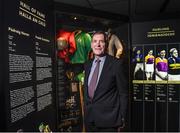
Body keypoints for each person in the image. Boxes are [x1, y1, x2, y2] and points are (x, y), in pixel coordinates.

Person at [84, 31, 128, 132]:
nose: (98, 44)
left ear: (106, 44)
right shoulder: (87, 65)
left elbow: (123, 93)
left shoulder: (116, 64)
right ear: (91, 45)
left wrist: (122, 117)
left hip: (109, 122)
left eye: (101, 41)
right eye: (95, 41)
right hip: (90, 120)